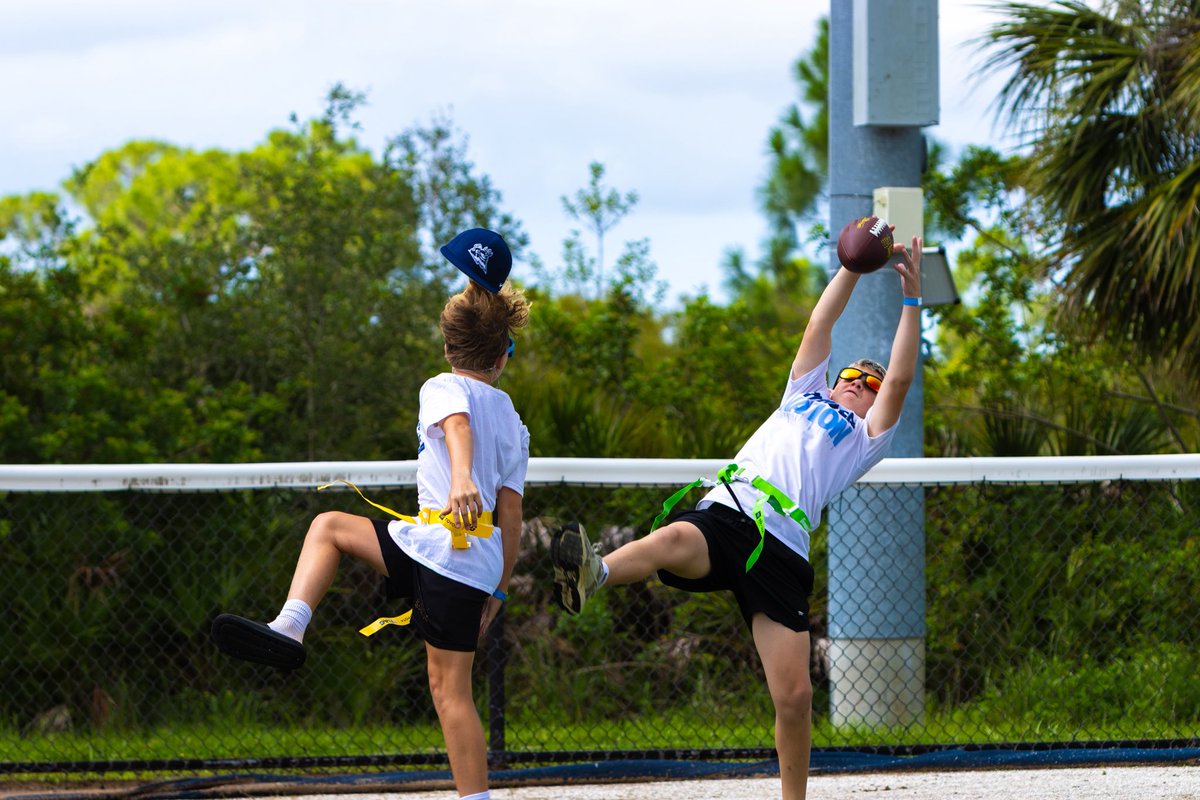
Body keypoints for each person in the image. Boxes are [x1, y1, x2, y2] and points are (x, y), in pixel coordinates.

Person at [551, 232, 923, 800]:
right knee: (676, 535)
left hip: (781, 546)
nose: (857, 383)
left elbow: (899, 378)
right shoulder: (801, 394)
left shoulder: (865, 437)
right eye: (850, 374)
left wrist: (912, 301)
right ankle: (594, 573)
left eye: (866, 384)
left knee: (794, 697)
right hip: (733, 507)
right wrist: (850, 266)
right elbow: (818, 327)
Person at [212, 228, 531, 800]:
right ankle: (288, 627)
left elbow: (457, 424)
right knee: (331, 528)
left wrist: (460, 476)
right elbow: (511, 518)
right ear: (505, 354)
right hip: (462, 560)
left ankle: (293, 622)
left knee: (447, 690)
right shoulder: (513, 422)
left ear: (447, 348)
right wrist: (498, 592)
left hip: (443, 551)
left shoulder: (441, 386)